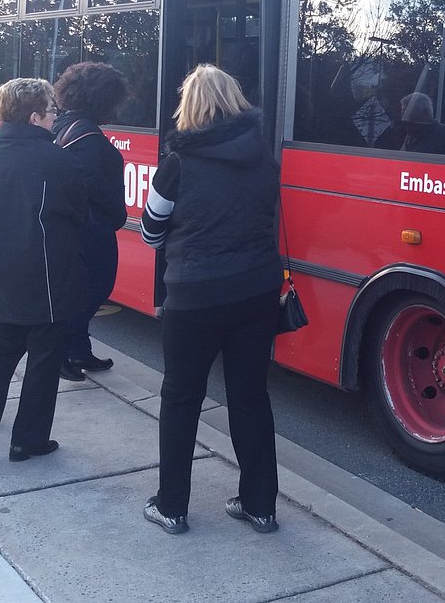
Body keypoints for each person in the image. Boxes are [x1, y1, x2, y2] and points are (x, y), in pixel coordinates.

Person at [140, 64, 283, 536]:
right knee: (250, 397)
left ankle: (172, 507)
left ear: (191, 106)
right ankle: (260, 505)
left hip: (195, 298)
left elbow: (150, 231)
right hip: (258, 292)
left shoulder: (177, 163)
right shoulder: (264, 156)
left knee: (181, 398)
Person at [0, 79, 88, 462]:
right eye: (51, 111)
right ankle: (27, 440)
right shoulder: (60, 159)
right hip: (47, 280)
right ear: (34, 116)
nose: (55, 118)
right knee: (44, 359)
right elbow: (80, 216)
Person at [51, 62, 131, 381]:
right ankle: (64, 353)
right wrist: (116, 218)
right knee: (91, 292)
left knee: (78, 294)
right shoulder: (92, 143)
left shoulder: (61, 126)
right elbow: (105, 196)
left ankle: (79, 349)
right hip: (91, 233)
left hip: (68, 229)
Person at [398, 92, 445, 156]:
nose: (403, 115)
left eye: (407, 110)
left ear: (424, 112)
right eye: (403, 110)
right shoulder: (410, 134)